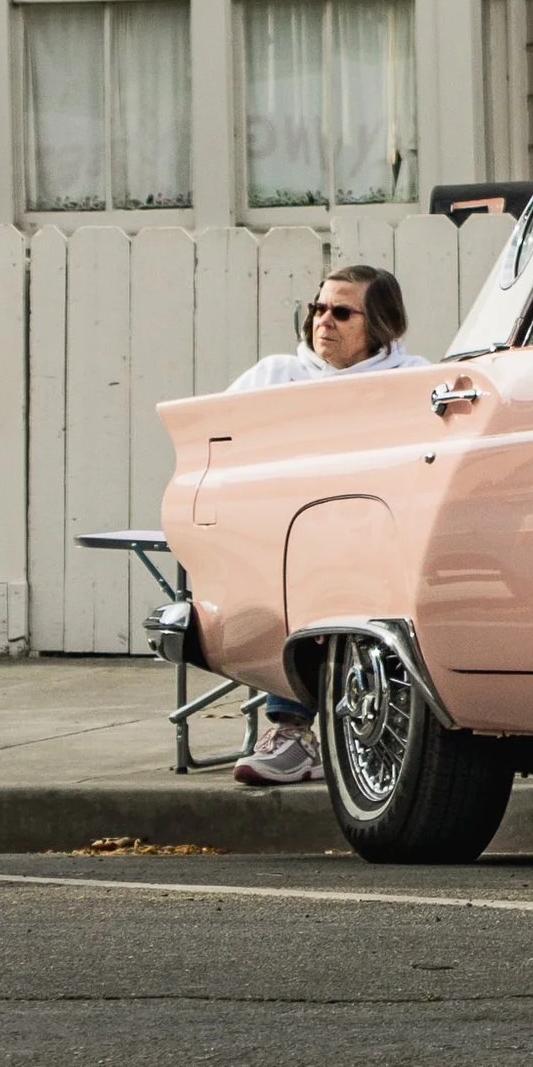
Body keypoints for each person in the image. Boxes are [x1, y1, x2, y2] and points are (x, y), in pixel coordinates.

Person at [229, 267, 428, 789]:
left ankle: (304, 729)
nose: (324, 322)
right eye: (317, 310)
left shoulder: (412, 379)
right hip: (283, 538)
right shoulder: (273, 376)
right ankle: (292, 733)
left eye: (341, 312)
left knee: (329, 573)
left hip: (381, 539)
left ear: (380, 323)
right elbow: (220, 444)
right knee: (294, 571)